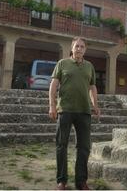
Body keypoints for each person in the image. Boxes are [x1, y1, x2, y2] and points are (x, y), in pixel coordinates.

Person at [49, 36, 100, 190]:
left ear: (85, 50)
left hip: (84, 111)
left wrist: (95, 105)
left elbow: (92, 87)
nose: (79, 49)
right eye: (76, 46)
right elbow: (53, 85)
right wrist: (52, 106)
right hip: (65, 109)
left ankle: (81, 181)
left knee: (84, 147)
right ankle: (62, 181)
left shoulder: (89, 66)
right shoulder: (62, 64)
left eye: (82, 47)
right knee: (61, 145)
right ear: (72, 48)